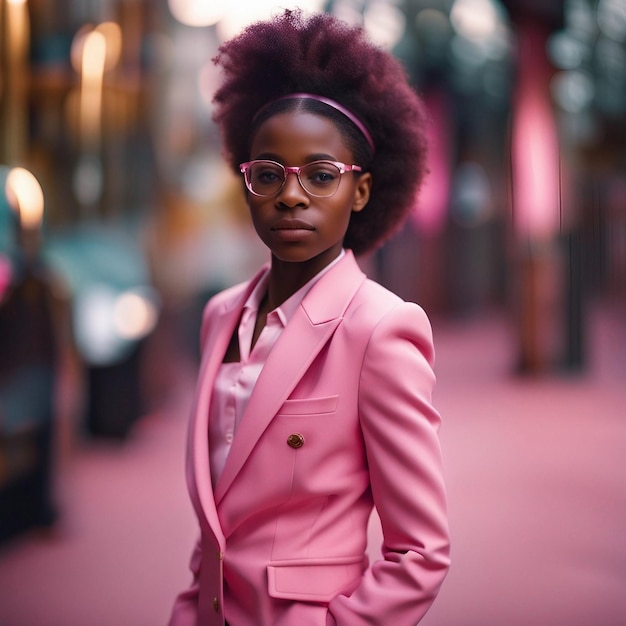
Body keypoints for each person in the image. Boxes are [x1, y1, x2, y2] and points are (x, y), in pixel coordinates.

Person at [169, 9, 450, 626]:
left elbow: (420, 553)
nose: (290, 194)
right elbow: (221, 525)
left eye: (321, 175)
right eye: (268, 174)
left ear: (362, 191)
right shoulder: (220, 316)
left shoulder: (380, 329)